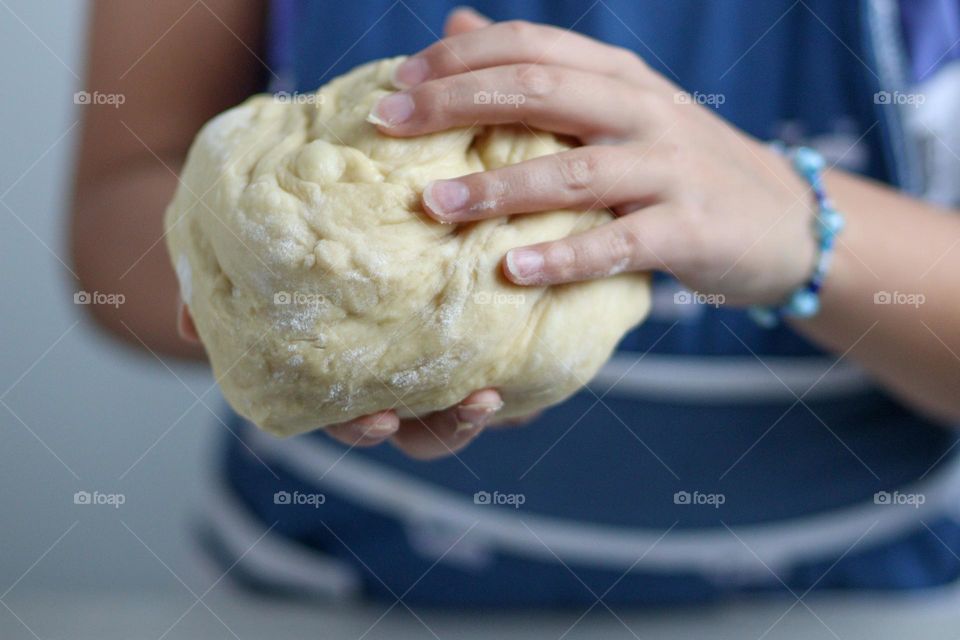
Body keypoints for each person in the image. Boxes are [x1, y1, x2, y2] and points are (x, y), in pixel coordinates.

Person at [72, 0, 960, 606]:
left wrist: (804, 229)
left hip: (844, 598)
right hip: (331, 591)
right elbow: (113, 218)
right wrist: (279, 291)